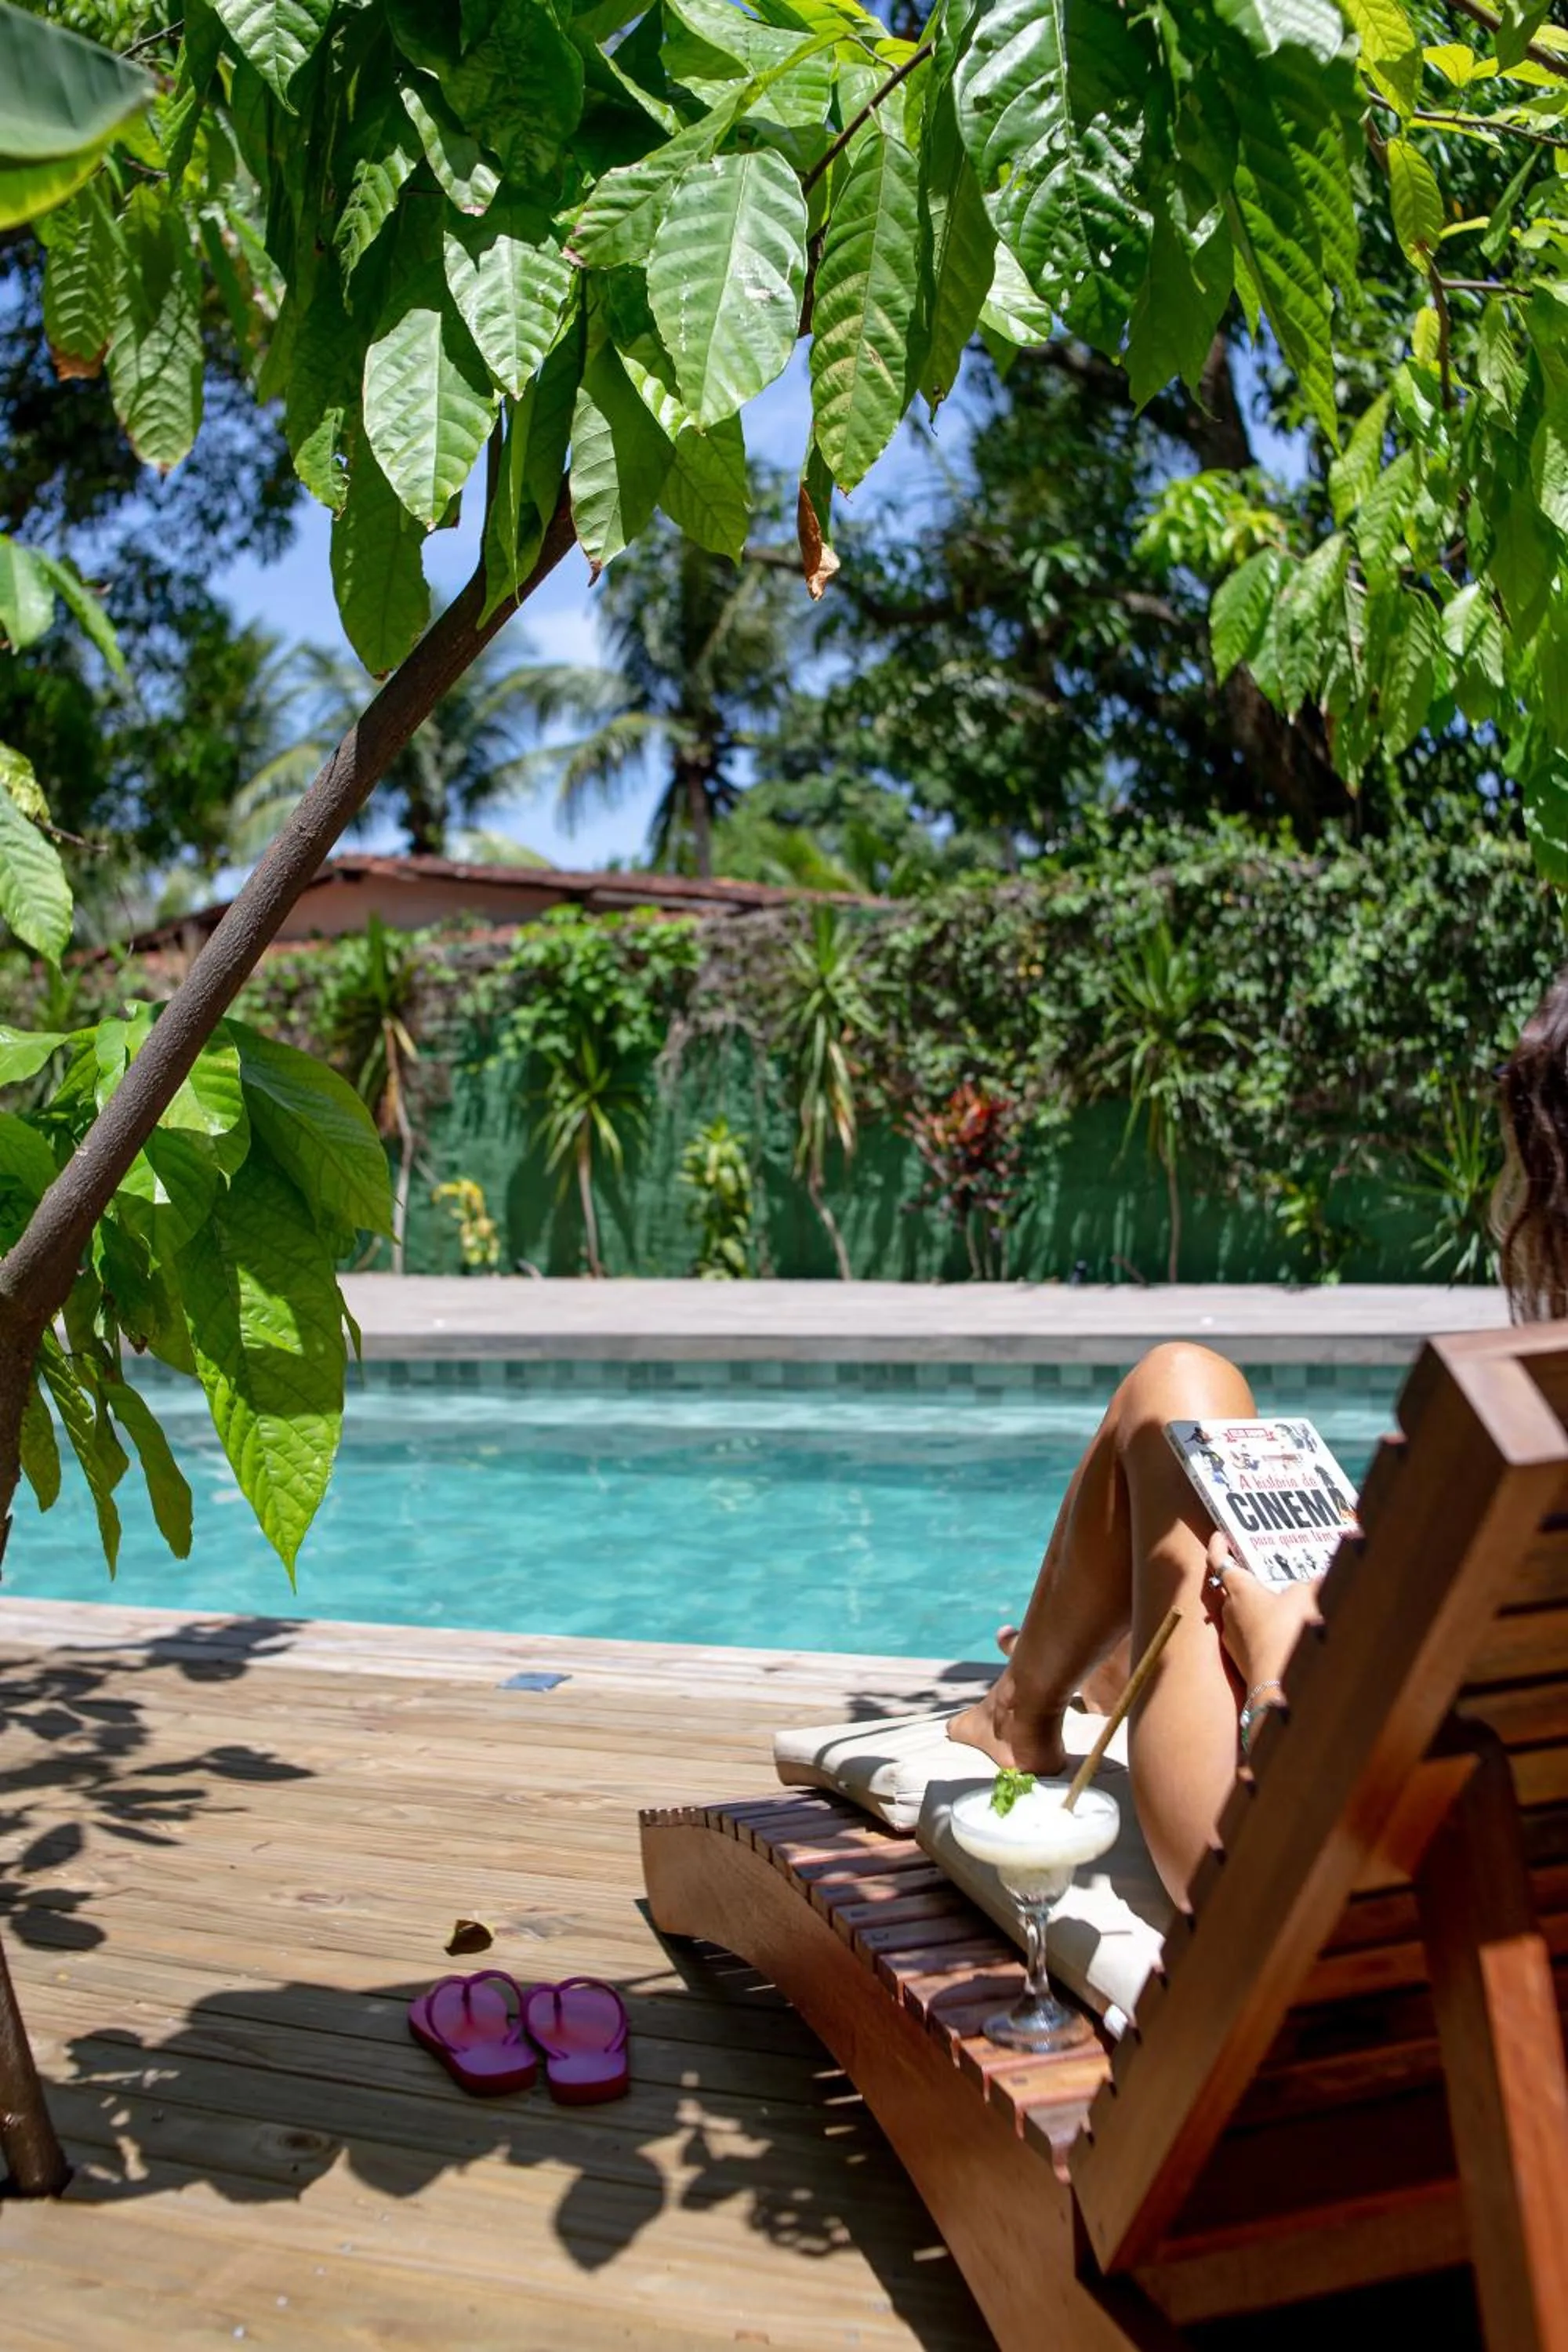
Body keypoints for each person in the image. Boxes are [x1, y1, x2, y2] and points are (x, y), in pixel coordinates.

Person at [950, 968, 1568, 1905]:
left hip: (1343, 1882)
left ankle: (1023, 1705)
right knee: (1250, 1515)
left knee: (1177, 1389)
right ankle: (1094, 1674)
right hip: (1469, 1820)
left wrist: (1275, 1660)